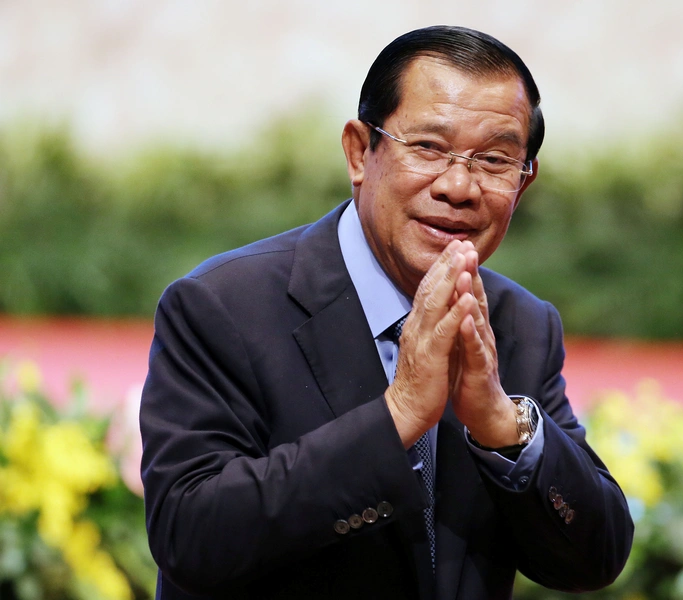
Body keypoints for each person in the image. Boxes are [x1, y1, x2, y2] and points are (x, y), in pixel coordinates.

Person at [140, 25, 633, 600]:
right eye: (428, 148)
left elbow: (594, 559)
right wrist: (396, 416)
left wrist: (504, 429)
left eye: (494, 160)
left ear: (524, 182)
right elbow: (189, 536)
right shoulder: (223, 305)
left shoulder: (519, 322)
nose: (458, 186)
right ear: (359, 152)